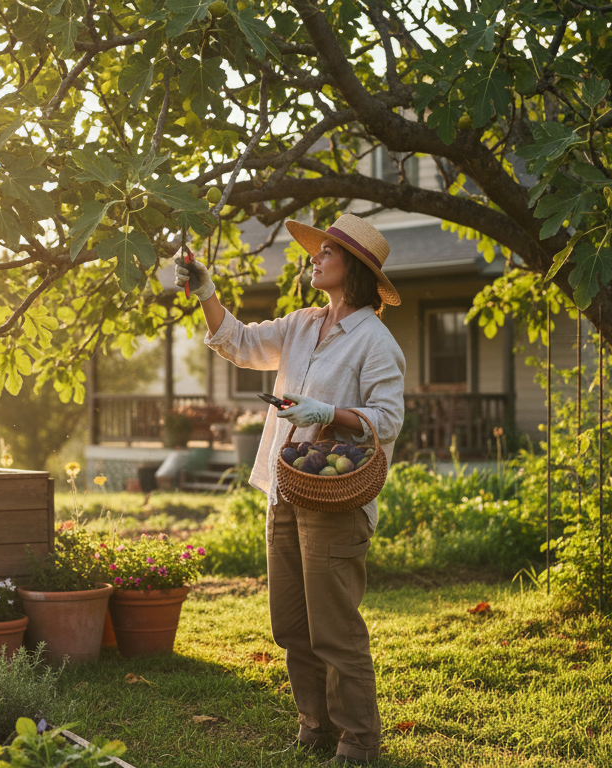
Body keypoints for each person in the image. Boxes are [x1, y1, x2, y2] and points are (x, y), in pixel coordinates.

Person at [175, 214, 405, 765]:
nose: (315, 257)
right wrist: (206, 290)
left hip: (336, 499)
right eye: (318, 249)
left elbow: (389, 420)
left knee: (334, 628)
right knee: (292, 623)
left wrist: (328, 412)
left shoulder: (375, 341)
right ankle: (315, 728)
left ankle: (359, 740)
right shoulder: (304, 324)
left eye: (327, 252)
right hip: (286, 487)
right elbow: (241, 342)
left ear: (352, 268)